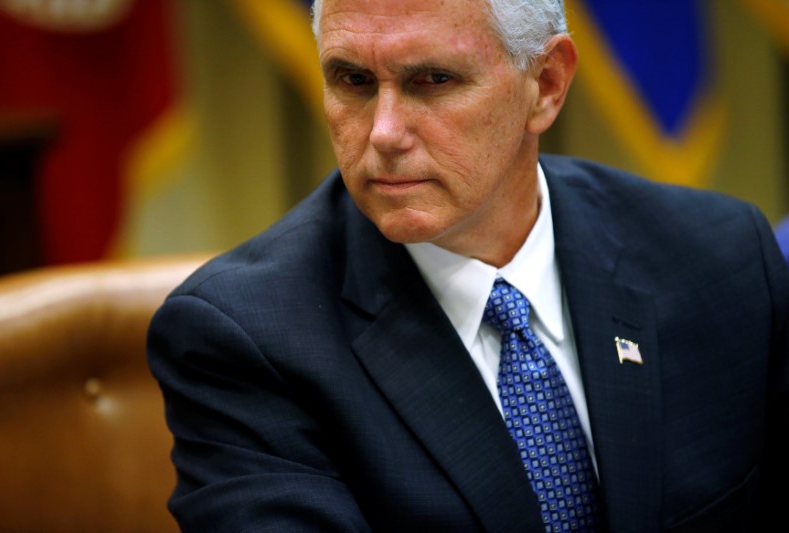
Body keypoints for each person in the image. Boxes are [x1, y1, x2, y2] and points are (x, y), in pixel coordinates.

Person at [147, 0, 789, 531]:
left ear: (546, 85)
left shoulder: (721, 258)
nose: (384, 133)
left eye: (432, 81)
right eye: (353, 81)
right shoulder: (244, 341)